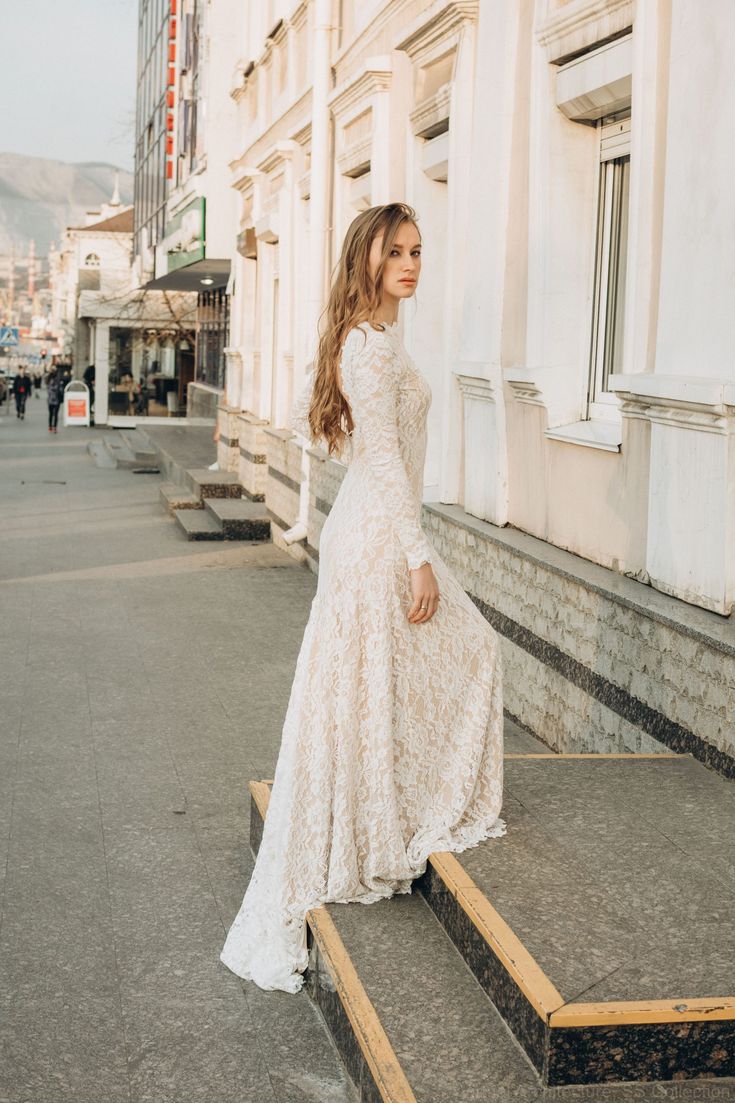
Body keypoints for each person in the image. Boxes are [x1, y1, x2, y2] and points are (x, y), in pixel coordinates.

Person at [219, 202, 506, 993]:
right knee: (464, 649)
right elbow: (379, 459)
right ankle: (386, 815)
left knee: (384, 677)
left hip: (377, 529)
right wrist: (418, 558)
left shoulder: (377, 337)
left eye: (417, 250)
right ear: (367, 263)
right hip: (379, 537)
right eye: (395, 254)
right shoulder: (367, 350)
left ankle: (394, 802)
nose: (411, 264)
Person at [46, 366, 64, 433]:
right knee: (54, 414)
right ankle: (53, 427)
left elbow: (49, 389)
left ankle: (51, 427)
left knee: (52, 414)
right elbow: (60, 389)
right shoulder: (57, 379)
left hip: (52, 399)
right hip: (55, 398)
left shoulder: (49, 379)